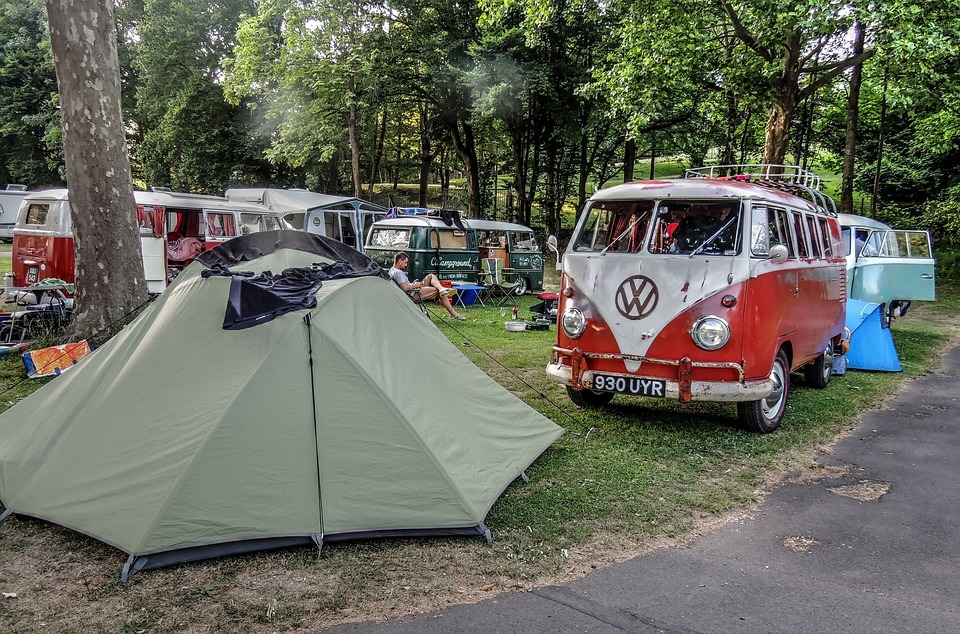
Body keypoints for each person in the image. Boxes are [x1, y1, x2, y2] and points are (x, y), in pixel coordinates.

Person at [388, 252, 466, 320]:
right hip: (413, 294)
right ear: (399, 261)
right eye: (405, 262)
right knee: (438, 291)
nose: (406, 265)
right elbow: (405, 288)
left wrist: (413, 284)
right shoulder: (398, 273)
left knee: (431, 276)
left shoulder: (392, 270)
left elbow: (404, 286)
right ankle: (453, 313)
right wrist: (415, 285)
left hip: (412, 289)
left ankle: (441, 288)